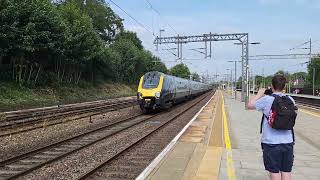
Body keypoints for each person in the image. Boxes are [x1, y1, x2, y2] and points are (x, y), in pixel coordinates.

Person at [247, 75, 296, 180]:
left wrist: (259, 94)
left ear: (272, 86)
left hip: (271, 142)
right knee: (286, 171)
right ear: (284, 87)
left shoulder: (267, 99)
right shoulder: (291, 100)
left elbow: (249, 105)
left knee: (274, 171)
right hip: (288, 142)